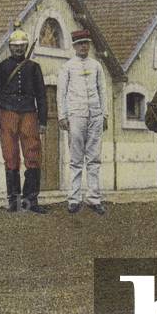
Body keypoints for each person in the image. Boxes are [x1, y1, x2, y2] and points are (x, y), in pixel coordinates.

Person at [0, 22, 49, 213]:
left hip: (29, 113)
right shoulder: (1, 68)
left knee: (33, 154)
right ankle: (14, 200)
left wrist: (43, 120)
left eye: (22, 45)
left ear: (26, 45)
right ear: (10, 46)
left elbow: (41, 95)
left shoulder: (34, 67)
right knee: (10, 156)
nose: (19, 48)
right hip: (7, 113)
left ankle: (31, 199)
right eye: (15, 45)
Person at [58, 29, 108, 215]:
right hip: (76, 115)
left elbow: (103, 90)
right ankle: (74, 199)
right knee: (76, 159)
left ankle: (94, 198)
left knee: (94, 158)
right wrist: (62, 116)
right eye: (80, 44)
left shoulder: (96, 66)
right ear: (74, 46)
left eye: (86, 43)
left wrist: (105, 115)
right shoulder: (68, 67)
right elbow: (61, 93)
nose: (83, 47)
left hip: (95, 115)